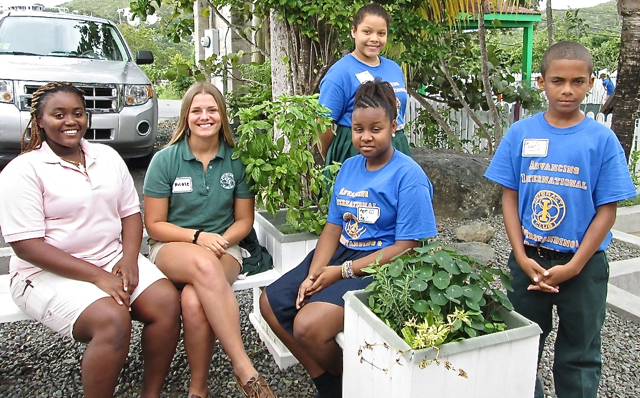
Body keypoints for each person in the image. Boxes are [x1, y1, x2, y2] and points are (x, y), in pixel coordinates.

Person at [0, 82, 181, 398]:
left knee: (166, 302)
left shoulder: (106, 157)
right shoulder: (23, 171)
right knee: (112, 321)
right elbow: (26, 246)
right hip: (43, 273)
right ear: (40, 120)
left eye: (78, 113)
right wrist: (98, 278)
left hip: (109, 257)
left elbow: (130, 214)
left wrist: (128, 259)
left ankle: (151, 394)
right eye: (59, 114)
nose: (70, 121)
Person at [260, 78, 438, 398]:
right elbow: (333, 227)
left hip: (382, 266)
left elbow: (408, 248)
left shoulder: (408, 176)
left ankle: (354, 382)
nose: (366, 137)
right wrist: (316, 272)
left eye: (375, 128)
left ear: (393, 126)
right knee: (270, 304)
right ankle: (330, 383)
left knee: (308, 326)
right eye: (358, 129)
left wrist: (340, 273)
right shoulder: (349, 168)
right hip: (342, 253)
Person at [484, 41, 636, 398]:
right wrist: (520, 256)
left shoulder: (602, 140)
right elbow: (510, 196)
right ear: (541, 82)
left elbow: (607, 210)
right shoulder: (521, 134)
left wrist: (576, 265)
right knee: (520, 343)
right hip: (528, 262)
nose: (567, 90)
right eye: (557, 81)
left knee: (580, 352)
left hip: (583, 267)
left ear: (589, 83)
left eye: (577, 81)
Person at [143, 82, 275, 398]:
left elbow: (244, 220)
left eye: (212, 110)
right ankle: (244, 368)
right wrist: (198, 237)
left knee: (192, 300)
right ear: (186, 116)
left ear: (222, 115)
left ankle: (197, 389)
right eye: (197, 110)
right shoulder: (165, 160)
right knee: (201, 262)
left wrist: (220, 240)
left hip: (224, 246)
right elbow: (154, 225)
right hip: (172, 245)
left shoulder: (236, 159)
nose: (205, 116)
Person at [318, 3, 412, 169]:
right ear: (354, 31)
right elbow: (322, 123)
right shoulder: (340, 73)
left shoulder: (394, 68)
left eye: (381, 33)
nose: (374, 38)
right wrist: (335, 153)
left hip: (396, 145)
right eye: (367, 32)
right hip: (357, 151)